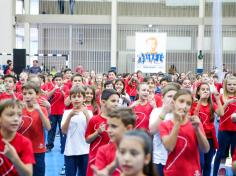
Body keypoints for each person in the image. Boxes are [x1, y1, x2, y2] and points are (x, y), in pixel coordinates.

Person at [159, 89, 210, 176]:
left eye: (188, 103)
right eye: (181, 101)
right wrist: (177, 123)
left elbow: (205, 149)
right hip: (172, 172)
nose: (184, 106)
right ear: (174, 102)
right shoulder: (165, 125)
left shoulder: (195, 123)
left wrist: (197, 129)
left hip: (193, 172)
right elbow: (169, 147)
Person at [190, 83, 224, 176]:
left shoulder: (212, 105)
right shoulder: (194, 104)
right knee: (200, 163)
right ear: (198, 92)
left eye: (207, 89)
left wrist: (217, 99)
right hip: (198, 138)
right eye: (203, 89)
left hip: (210, 138)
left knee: (208, 164)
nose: (205, 91)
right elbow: (194, 116)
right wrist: (200, 100)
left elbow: (221, 113)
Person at [18, 81, 51, 176]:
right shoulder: (19, 109)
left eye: (30, 93)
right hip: (22, 150)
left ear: (37, 94)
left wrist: (39, 111)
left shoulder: (42, 109)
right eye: (24, 94)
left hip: (38, 150)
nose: (27, 96)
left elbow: (48, 127)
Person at [85, 89, 119, 176]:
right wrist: (97, 132)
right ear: (103, 102)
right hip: (96, 160)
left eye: (118, 101)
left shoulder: (120, 120)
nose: (116, 103)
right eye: (113, 101)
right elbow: (87, 140)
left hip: (114, 162)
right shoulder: (94, 119)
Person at [93, 107, 136, 176]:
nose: (109, 130)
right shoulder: (103, 150)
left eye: (114, 126)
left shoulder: (140, 150)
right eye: (108, 126)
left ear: (128, 129)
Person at [61, 86, 93, 176]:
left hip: (85, 150)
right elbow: (64, 131)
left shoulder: (89, 113)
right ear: (70, 99)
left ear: (84, 98)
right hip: (70, 150)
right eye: (74, 97)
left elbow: (91, 130)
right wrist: (70, 116)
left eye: (79, 96)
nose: (76, 99)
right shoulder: (67, 113)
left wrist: (86, 115)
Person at [149, 85, 179, 176]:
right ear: (162, 98)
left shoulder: (181, 113)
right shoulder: (157, 112)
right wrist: (164, 112)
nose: (172, 99)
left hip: (177, 158)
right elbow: (152, 131)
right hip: (159, 158)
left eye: (175, 97)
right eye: (169, 96)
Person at [0, 99, 35, 176]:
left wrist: (14, 158)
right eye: (10, 115)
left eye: (19, 115)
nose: (16, 119)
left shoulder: (25, 143)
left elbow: (28, 174)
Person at [213, 76, 236, 176]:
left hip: (235, 130)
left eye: (234, 84)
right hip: (224, 130)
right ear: (225, 85)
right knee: (220, 153)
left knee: (235, 155)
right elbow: (218, 113)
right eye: (229, 84)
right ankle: (215, 173)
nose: (232, 86)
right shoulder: (221, 97)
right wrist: (226, 103)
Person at [46, 73, 68, 152]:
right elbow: (47, 96)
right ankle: (49, 146)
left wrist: (61, 90)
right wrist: (54, 89)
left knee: (62, 130)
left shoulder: (65, 87)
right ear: (54, 81)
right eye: (56, 80)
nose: (58, 81)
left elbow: (67, 97)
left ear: (62, 80)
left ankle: (63, 146)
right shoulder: (52, 87)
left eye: (60, 80)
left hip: (62, 112)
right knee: (51, 130)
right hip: (52, 112)